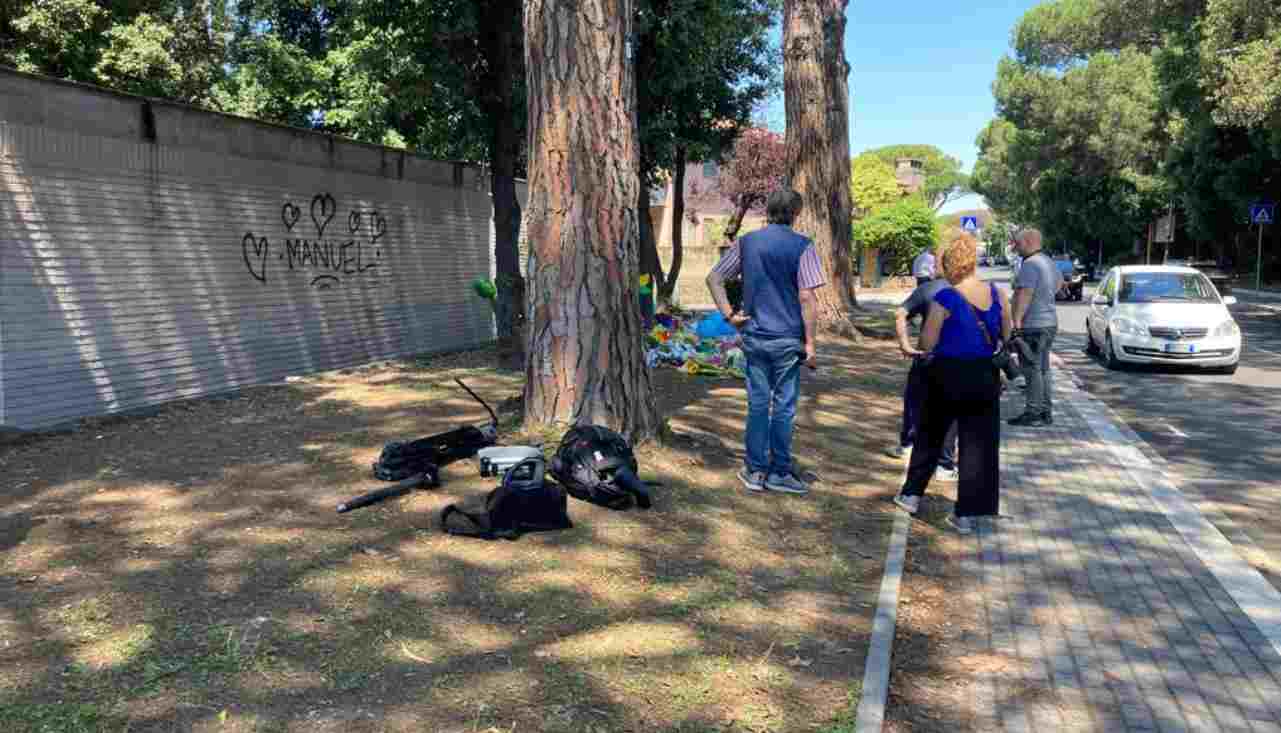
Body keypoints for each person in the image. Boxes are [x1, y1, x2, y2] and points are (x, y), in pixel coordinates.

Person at [706, 188, 823, 495]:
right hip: (788, 339)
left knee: (758, 404)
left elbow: (714, 278)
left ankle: (755, 470)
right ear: (796, 213)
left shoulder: (746, 243)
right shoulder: (803, 246)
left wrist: (729, 315)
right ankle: (780, 472)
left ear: (768, 210)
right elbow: (807, 297)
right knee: (784, 407)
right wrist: (810, 344)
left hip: (754, 336)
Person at [892, 235, 1010, 534]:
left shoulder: (945, 297)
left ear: (949, 265)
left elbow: (927, 342)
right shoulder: (998, 294)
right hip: (984, 375)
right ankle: (967, 514)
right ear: (972, 262)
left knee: (930, 435)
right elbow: (1007, 335)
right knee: (979, 445)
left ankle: (911, 495)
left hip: (946, 374)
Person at [890, 265, 959, 482]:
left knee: (915, 400)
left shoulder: (927, 289)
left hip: (926, 355)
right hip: (957, 359)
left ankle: (908, 444)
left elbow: (900, 314)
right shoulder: (970, 291)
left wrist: (904, 344)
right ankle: (944, 465)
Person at [1008, 228, 1062, 427]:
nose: (1016, 248)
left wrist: (1016, 322)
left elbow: (1025, 294)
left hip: (1033, 325)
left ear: (1029, 242)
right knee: (1043, 368)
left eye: (1018, 243)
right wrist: (1045, 296)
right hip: (1049, 323)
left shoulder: (1030, 264)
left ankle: (1033, 413)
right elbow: (1059, 283)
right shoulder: (1048, 261)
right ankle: (1045, 411)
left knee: (1031, 369)